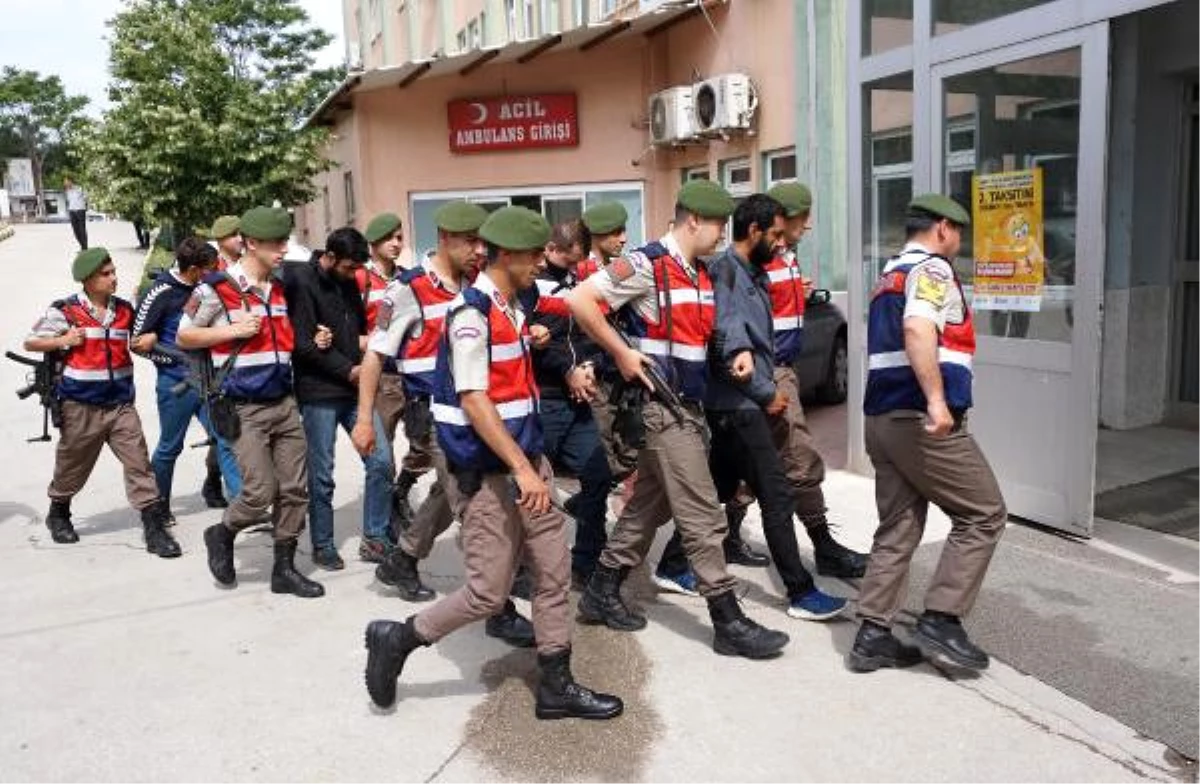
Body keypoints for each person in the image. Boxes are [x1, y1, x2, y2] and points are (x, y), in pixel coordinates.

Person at [364, 206, 623, 720]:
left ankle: (556, 685)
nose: (538, 266)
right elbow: (475, 399)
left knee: (552, 575)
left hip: (528, 464)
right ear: (507, 256)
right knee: (488, 592)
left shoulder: (509, 307)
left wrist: (533, 466)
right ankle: (398, 639)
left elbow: (571, 303)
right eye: (531, 257)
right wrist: (523, 471)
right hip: (487, 474)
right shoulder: (470, 316)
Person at [567, 180, 790, 660]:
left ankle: (601, 587)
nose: (723, 236)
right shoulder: (648, 263)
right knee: (702, 511)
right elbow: (580, 301)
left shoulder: (700, 273)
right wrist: (622, 353)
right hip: (659, 407)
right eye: (719, 226)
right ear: (694, 220)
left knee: (651, 504)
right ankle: (727, 618)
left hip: (687, 404)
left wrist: (737, 356)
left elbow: (701, 337)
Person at [352, 202, 534, 646]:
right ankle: (498, 603)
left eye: (483, 242)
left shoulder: (479, 287)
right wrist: (364, 418)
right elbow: (376, 353)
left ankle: (405, 557)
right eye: (471, 241)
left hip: (472, 414)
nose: (479, 250)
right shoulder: (408, 289)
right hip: (435, 414)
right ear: (447, 239)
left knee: (446, 491)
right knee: (472, 501)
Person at [847, 193, 1007, 673]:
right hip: (920, 420)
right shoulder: (933, 269)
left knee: (898, 526)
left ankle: (873, 634)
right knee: (984, 513)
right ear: (942, 228)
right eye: (958, 232)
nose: (959, 242)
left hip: (882, 420)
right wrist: (937, 402)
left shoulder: (889, 274)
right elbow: (919, 330)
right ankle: (942, 619)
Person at [702, 193, 847, 620]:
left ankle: (669, 564)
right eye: (777, 235)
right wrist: (767, 393)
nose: (782, 243)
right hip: (740, 401)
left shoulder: (752, 272)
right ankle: (800, 592)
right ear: (754, 231)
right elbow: (729, 338)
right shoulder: (729, 274)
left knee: (721, 490)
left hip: (739, 402)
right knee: (777, 494)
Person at [178, 206, 324, 599]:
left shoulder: (278, 289)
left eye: (285, 242)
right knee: (259, 492)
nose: (283, 249)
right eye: (276, 243)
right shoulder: (215, 289)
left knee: (295, 489)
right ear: (252, 243)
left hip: (283, 401)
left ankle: (284, 568)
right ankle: (222, 533)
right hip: (243, 405)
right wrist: (231, 330)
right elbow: (185, 336)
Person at [23, 247, 180, 558]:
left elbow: (135, 343)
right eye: (105, 274)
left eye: (114, 272)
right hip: (80, 405)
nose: (113, 279)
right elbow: (31, 341)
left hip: (121, 403)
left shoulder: (124, 311)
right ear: (87, 280)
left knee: (139, 463)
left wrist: (144, 342)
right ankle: (59, 511)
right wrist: (62, 340)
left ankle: (153, 528)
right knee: (72, 465)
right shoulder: (65, 311)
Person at [761, 181, 868, 578]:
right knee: (800, 457)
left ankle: (724, 538)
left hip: (782, 368)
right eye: (803, 218)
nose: (807, 227)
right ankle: (824, 548)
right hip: (770, 373)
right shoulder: (760, 260)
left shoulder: (786, 256)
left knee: (749, 463)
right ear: (785, 219)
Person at [283, 227, 395, 569]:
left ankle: (375, 537)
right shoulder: (302, 281)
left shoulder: (350, 283)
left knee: (381, 462)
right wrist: (348, 369)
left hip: (354, 388)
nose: (353, 275)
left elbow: (357, 334)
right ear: (329, 257)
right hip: (319, 392)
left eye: (357, 269)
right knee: (322, 473)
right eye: (348, 268)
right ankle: (323, 543)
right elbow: (302, 344)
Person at [520, 217, 612, 586]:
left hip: (578, 400)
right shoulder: (529, 290)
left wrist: (589, 365)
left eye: (579, 262)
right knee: (532, 491)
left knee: (598, 475)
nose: (574, 268)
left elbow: (594, 334)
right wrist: (566, 370)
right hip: (545, 401)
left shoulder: (578, 285)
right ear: (551, 249)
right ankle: (524, 569)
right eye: (569, 261)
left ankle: (587, 562)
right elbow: (531, 345)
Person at [130, 237, 242, 521]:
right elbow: (137, 343)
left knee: (225, 440)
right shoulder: (161, 292)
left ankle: (241, 506)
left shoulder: (207, 289)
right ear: (192, 269)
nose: (212, 274)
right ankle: (159, 507)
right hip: (175, 385)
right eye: (207, 269)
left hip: (210, 381)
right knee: (170, 447)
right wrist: (173, 359)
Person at [359, 212, 429, 528]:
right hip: (381, 376)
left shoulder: (407, 279)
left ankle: (402, 489)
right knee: (380, 455)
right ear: (373, 243)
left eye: (400, 238)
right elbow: (350, 325)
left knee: (426, 446)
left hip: (410, 376)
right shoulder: (361, 279)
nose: (396, 244)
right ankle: (384, 517)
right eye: (390, 238)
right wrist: (369, 342)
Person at [576, 202, 640, 486]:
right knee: (602, 444)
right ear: (598, 236)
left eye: (623, 231)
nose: (624, 238)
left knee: (628, 438)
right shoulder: (581, 272)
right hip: (596, 368)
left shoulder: (622, 266)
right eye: (616, 233)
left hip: (622, 367)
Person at [64, 177, 88, 250]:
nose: (65, 183)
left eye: (66, 181)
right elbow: (69, 201)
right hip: (72, 211)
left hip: (80, 210)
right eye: (65, 182)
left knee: (82, 229)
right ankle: (82, 245)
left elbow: (86, 197)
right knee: (75, 230)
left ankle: (84, 247)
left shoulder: (79, 188)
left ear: (71, 181)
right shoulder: (67, 191)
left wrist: (84, 204)